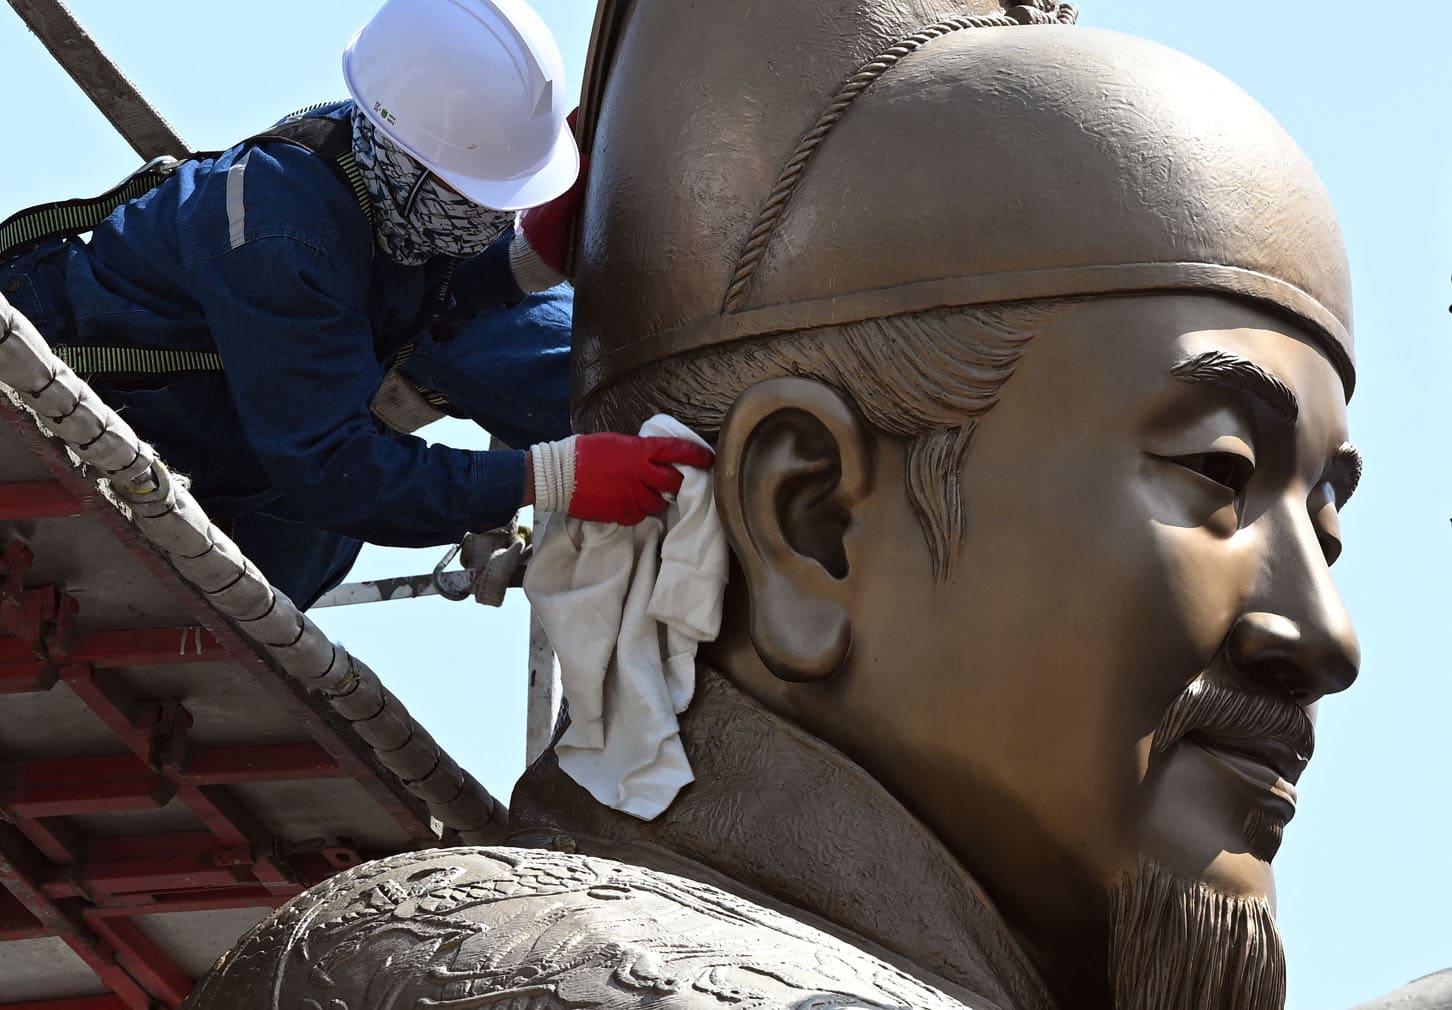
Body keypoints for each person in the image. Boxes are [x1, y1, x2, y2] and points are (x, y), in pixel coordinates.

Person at [180, 2, 1372, 1010]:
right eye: (1218, 471)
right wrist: (542, 479)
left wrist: (540, 276)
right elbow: (328, 457)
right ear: (811, 518)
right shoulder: (504, 973)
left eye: (1325, 515)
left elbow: (483, 321)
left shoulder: (415, 249)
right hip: (232, 471)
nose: (1328, 636)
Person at [0, 0, 711, 609]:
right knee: (330, 511)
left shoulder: (382, 180)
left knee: (565, 365)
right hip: (111, 424)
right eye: (482, 201)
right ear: (412, 167)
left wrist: (523, 261)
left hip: (233, 425)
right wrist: (552, 478)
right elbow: (334, 469)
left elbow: (409, 297)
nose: (491, 220)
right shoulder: (284, 235)